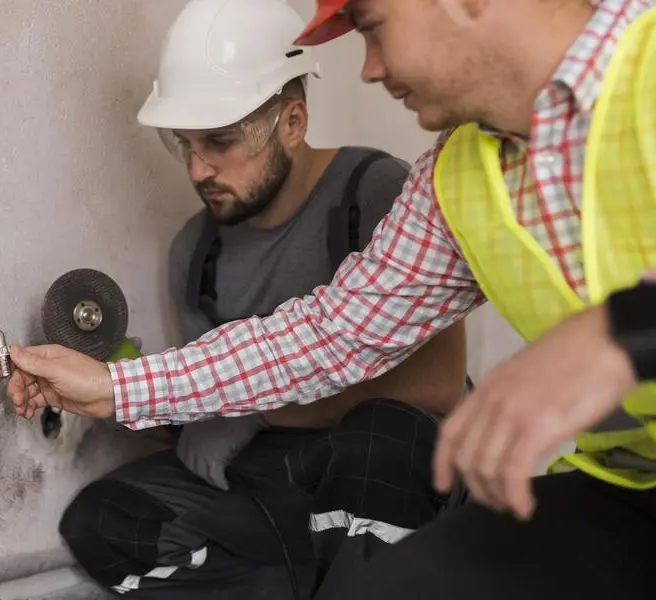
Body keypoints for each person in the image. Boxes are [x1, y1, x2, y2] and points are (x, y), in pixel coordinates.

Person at [0, 0, 656, 596]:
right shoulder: (458, 179)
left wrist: (621, 331)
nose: (368, 70)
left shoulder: (646, 67)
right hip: (624, 488)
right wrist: (113, 385)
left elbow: (425, 389)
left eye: (372, 27)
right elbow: (331, 334)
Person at [56, 1, 468, 598]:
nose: (199, 170)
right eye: (184, 145)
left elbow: (436, 384)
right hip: (278, 475)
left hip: (391, 470)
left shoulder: (375, 193)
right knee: (104, 519)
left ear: (293, 122)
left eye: (219, 142)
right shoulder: (195, 253)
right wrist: (140, 399)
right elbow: (217, 394)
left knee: (380, 441)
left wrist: (259, 413)